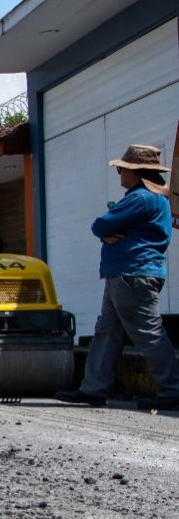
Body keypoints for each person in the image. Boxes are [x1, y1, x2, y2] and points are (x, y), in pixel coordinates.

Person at [54, 144, 179, 411]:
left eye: (122, 169)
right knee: (107, 332)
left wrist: (106, 231)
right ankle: (93, 389)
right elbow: (108, 228)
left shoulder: (141, 198)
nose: (119, 173)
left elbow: (101, 224)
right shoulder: (153, 198)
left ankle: (173, 389)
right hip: (127, 274)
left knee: (149, 333)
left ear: (137, 172)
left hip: (132, 273)